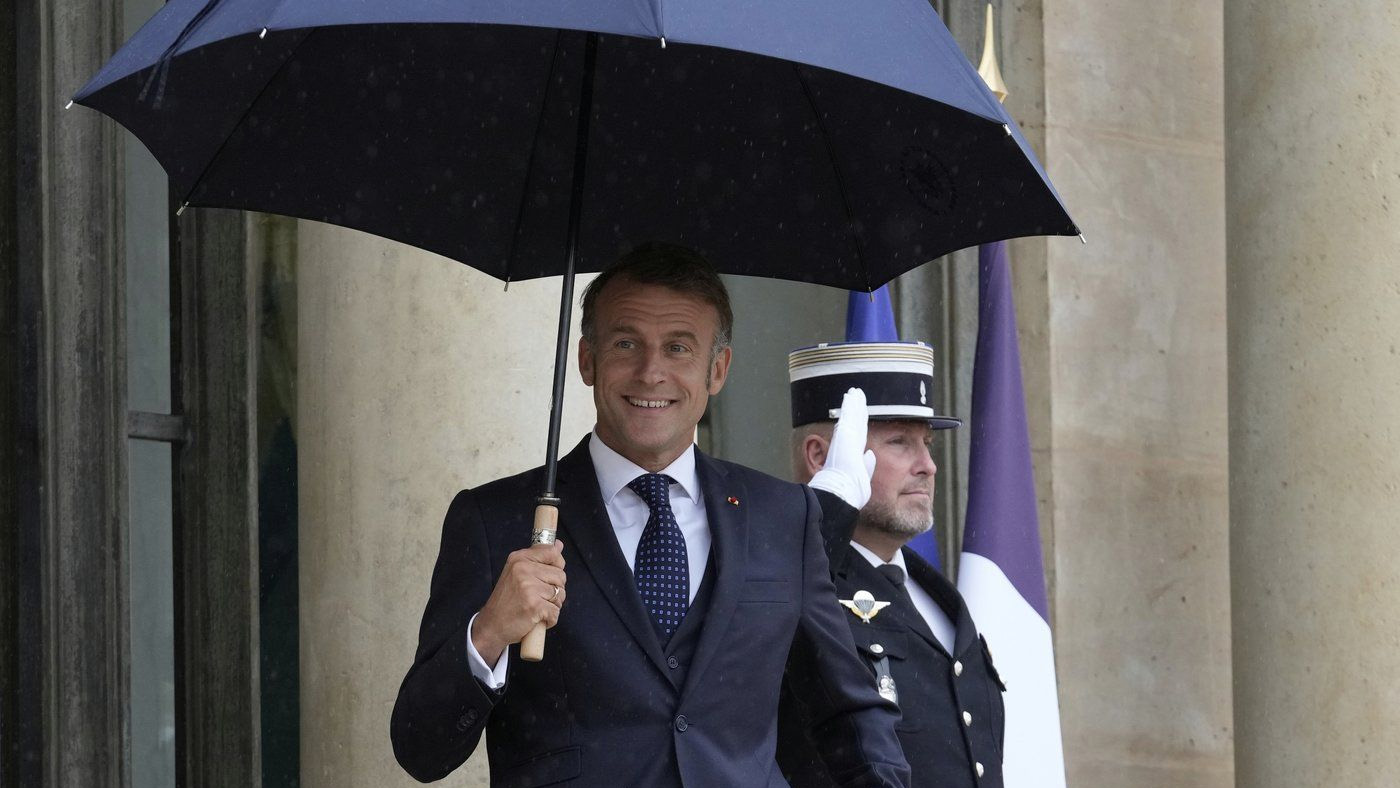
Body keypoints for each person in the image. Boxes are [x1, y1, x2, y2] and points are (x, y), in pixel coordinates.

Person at [390, 243, 910, 787]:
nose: (650, 372)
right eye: (625, 343)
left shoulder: (783, 517)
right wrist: (490, 632)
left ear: (717, 370)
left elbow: (848, 717)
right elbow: (421, 748)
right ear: (587, 360)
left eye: (678, 348)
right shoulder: (494, 520)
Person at [778, 341, 1008, 788]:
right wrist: (829, 506)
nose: (928, 466)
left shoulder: (935, 595)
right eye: (900, 442)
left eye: (928, 444)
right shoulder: (793, 584)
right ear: (821, 457)